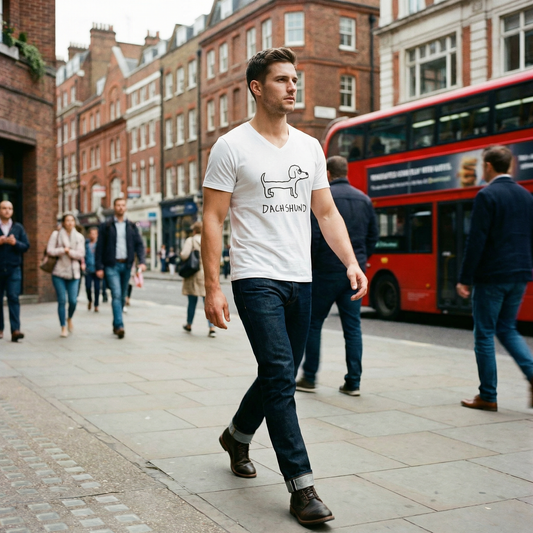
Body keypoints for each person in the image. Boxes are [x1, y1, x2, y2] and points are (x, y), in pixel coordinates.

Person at [201, 48, 367, 526]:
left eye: (295, 79)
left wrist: (351, 262)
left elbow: (327, 212)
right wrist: (213, 287)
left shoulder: (309, 148)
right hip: (255, 276)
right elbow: (212, 218)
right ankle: (302, 486)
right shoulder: (231, 146)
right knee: (281, 375)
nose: (293, 87)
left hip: (302, 277)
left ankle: (237, 434)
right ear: (257, 87)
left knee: (278, 372)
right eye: (281, 80)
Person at [456, 145, 533, 411]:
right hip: (520, 273)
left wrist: (465, 277)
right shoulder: (526, 196)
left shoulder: (486, 196)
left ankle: (488, 395)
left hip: (492, 276)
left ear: (488, 166)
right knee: (507, 328)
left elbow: (476, 241)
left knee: (485, 334)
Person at [296, 156, 378, 395]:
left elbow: (315, 236)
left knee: (313, 324)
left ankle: (309, 377)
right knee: (352, 328)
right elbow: (373, 235)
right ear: (347, 172)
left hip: (325, 272)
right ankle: (353, 382)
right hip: (354, 272)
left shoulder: (323, 198)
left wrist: (311, 265)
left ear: (328, 173)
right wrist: (359, 260)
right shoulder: (364, 199)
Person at [95, 198, 146, 339]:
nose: (121, 207)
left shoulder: (131, 226)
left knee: (122, 296)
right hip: (111, 265)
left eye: (123, 205)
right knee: (116, 294)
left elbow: (139, 245)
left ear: (126, 208)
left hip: (127, 265)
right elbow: (99, 248)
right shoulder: (106, 226)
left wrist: (142, 261)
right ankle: (119, 325)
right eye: (118, 205)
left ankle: (115, 322)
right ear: (114, 207)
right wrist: (99, 267)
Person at [46, 213, 85, 337]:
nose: (69, 223)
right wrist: (63, 250)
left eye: (72, 220)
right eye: (67, 220)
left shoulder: (79, 237)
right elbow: (50, 250)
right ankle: (63, 326)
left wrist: (70, 252)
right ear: (63, 222)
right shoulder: (56, 235)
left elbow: (80, 254)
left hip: (74, 273)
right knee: (62, 300)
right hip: (58, 272)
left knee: (73, 301)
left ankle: (69, 318)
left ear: (74, 222)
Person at [0, 200, 29, 342]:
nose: (7, 210)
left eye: (10, 208)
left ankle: (15, 330)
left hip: (13, 268)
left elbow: (26, 246)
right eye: (4, 208)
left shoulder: (18, 228)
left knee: (13, 297)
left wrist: (15, 243)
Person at [181, 222, 216, 338]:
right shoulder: (209, 239)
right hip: (206, 274)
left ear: (194, 231)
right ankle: (212, 327)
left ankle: (189, 324)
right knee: (208, 301)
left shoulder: (191, 240)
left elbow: (184, 255)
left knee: (192, 301)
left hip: (193, 274)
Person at [85, 227, 100, 312]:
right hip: (88, 269)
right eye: (91, 233)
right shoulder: (86, 244)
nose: (93, 235)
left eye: (94, 233)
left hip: (97, 269)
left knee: (97, 288)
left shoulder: (99, 244)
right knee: (88, 287)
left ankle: (96, 305)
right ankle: (90, 300)